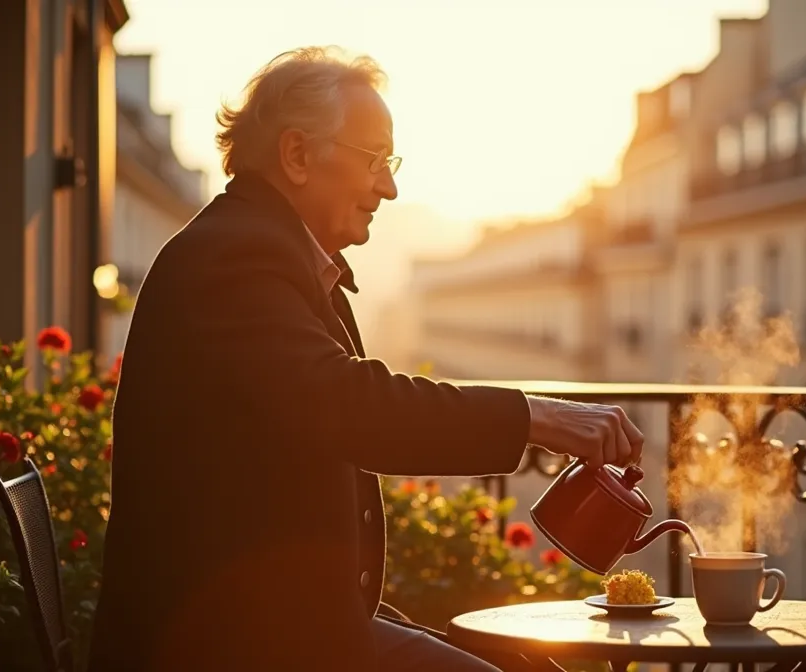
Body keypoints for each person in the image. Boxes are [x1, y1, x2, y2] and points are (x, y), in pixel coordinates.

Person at [87, 46, 644, 672]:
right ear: (297, 155)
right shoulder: (236, 258)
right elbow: (349, 404)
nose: (389, 184)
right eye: (374, 159)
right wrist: (540, 417)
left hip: (279, 627)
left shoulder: (260, 250)